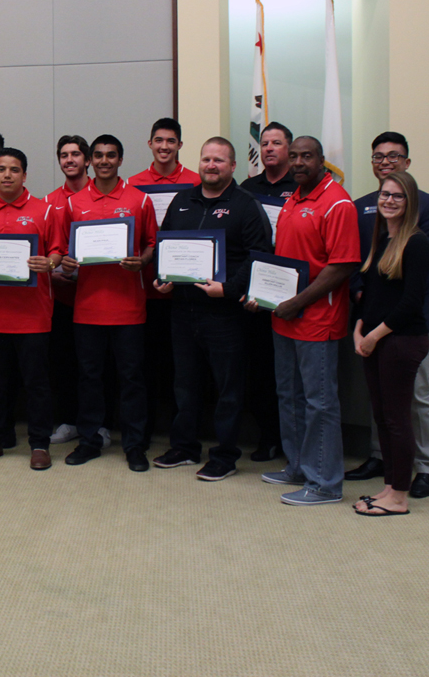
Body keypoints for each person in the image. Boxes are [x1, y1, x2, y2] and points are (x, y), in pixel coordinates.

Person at [152, 138, 272, 481]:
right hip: (183, 309)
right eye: (206, 159)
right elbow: (167, 243)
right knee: (185, 384)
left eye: (219, 160)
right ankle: (185, 447)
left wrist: (229, 289)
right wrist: (164, 277)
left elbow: (258, 254)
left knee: (228, 387)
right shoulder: (183, 200)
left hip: (224, 313)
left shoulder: (246, 205)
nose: (211, 165)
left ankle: (225, 454)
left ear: (233, 166)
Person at [250, 136, 360, 506]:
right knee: (290, 395)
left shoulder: (337, 202)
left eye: (306, 156)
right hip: (285, 318)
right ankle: (298, 466)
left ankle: (325, 483)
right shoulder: (293, 199)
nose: (298, 162)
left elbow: (341, 266)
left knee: (320, 403)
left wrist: (297, 302)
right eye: (293, 156)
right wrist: (263, 296)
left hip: (317, 320)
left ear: (322, 161)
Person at [345, 132, 429, 499]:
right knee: (382, 400)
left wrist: (385, 310)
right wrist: (360, 293)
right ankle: (382, 460)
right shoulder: (361, 206)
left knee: (415, 397)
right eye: (378, 157)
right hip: (371, 318)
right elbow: (357, 259)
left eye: (393, 156)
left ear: (407, 161)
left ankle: (425, 468)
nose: (385, 161)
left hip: (406, 323)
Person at [0, 147, 63, 470]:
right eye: (1, 169)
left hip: (33, 314)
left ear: (24, 175)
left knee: (36, 383)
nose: (6, 175)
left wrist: (48, 262)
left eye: (14, 170)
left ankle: (39, 444)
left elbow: (58, 251)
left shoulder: (44, 210)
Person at [59, 135, 156, 472]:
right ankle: (89, 441)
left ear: (120, 159)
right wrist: (68, 263)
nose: (103, 161)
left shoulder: (139, 200)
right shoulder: (74, 202)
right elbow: (63, 251)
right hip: (87, 308)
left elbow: (151, 244)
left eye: (110, 155)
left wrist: (141, 262)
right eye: (97, 155)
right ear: (90, 160)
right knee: (89, 377)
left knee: (131, 379)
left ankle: (134, 445)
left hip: (128, 307)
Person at [351, 171, 429, 516]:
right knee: (383, 418)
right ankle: (389, 486)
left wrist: (374, 334)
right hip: (374, 338)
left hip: (401, 341)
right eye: (384, 194)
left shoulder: (417, 243)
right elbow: (371, 295)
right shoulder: (381, 239)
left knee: (397, 419)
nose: (388, 200)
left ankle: (399, 498)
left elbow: (411, 302)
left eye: (397, 196)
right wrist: (359, 329)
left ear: (409, 201)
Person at [128, 117, 200, 443]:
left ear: (180, 145)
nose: (164, 146)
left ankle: (179, 433)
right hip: (142, 290)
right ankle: (141, 431)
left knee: (181, 369)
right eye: (159, 140)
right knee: (144, 365)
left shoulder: (196, 182)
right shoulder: (132, 185)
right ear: (150, 144)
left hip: (184, 293)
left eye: (171, 141)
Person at [237, 121, 297, 462]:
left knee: (289, 371)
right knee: (260, 370)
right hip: (257, 291)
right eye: (264, 143)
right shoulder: (248, 187)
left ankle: (293, 442)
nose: (269, 148)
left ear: (289, 149)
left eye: (277, 142)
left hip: (292, 289)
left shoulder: (300, 185)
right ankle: (268, 437)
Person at [45, 135, 99, 446]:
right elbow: (45, 249)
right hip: (63, 298)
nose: (69, 160)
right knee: (64, 362)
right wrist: (52, 275)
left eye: (76, 154)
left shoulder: (100, 196)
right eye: (63, 155)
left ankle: (99, 423)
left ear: (87, 160)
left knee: (95, 366)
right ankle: (68, 420)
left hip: (96, 296)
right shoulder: (50, 201)